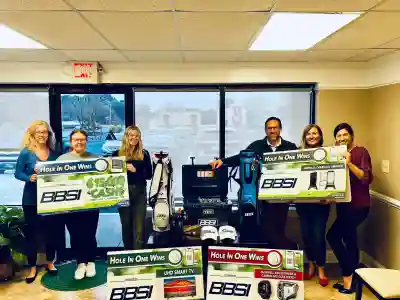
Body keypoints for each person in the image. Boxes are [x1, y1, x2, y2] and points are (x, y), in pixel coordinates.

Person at [209, 116, 298, 249]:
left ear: (280, 129)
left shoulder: (290, 147)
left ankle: (283, 256)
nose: (272, 130)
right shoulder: (257, 146)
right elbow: (241, 157)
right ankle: (281, 253)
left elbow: (298, 168)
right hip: (262, 196)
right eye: (269, 128)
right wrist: (223, 161)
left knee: (279, 228)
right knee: (265, 229)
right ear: (265, 130)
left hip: (282, 196)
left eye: (275, 128)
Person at [326, 123, 373, 294]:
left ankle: (349, 277)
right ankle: (352, 278)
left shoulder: (361, 152)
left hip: (358, 206)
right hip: (344, 206)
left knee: (334, 236)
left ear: (351, 136)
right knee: (349, 240)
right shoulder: (337, 154)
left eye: (344, 135)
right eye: (338, 136)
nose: (341, 138)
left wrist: (349, 163)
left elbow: (366, 177)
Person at [14, 120, 60, 283]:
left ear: (49, 135)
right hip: (31, 200)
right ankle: (32, 266)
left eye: (45, 132)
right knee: (32, 234)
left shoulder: (53, 153)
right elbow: (17, 173)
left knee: (52, 233)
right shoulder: (26, 153)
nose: (42, 135)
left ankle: (49, 262)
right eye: (39, 132)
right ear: (33, 134)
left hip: (51, 200)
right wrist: (29, 177)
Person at [57, 129, 99, 280]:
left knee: (90, 234)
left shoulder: (96, 159)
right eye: (76, 140)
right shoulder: (62, 159)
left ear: (86, 141)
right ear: (71, 142)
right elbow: (55, 181)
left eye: (82, 140)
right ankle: (80, 263)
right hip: (70, 205)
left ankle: (91, 262)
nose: (79, 142)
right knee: (75, 234)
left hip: (91, 205)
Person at [296, 124, 330, 287]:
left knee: (318, 237)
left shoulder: (328, 154)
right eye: (309, 134)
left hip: (320, 205)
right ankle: (310, 266)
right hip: (303, 205)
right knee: (306, 236)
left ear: (320, 136)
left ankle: (321, 270)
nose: (312, 136)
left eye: (315, 133)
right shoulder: (298, 154)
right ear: (305, 136)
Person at [112, 125, 152, 250]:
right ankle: (128, 253)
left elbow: (149, 175)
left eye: (136, 136)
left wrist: (136, 171)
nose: (134, 138)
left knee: (139, 227)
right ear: (126, 137)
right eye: (131, 135)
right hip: (122, 192)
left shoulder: (144, 154)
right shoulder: (116, 154)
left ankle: (138, 255)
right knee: (126, 225)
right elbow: (112, 175)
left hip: (139, 192)